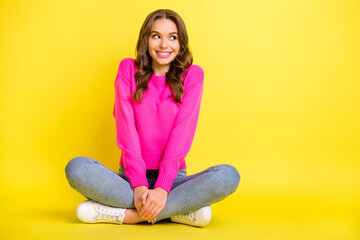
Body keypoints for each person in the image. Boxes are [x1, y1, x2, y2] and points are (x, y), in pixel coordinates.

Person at [65, 9, 240, 227]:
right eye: (156, 36)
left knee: (227, 176)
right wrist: (139, 184)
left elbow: (182, 133)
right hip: (129, 179)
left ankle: (126, 215)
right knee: (77, 168)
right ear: (146, 39)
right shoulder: (128, 69)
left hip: (174, 179)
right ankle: (176, 211)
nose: (164, 45)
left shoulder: (193, 75)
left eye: (172, 37)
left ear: (181, 43)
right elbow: (125, 127)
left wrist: (162, 188)